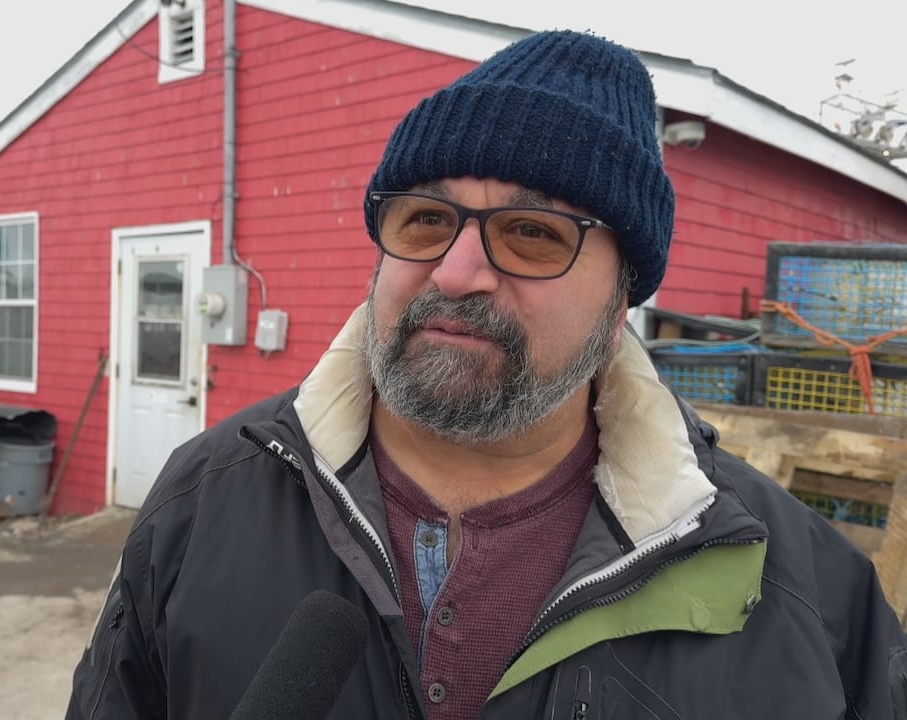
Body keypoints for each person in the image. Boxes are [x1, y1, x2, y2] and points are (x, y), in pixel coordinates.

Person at [67, 29, 907, 719]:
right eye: (426, 219)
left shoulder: (813, 595)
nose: (457, 270)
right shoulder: (201, 502)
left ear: (622, 303)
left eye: (532, 232)